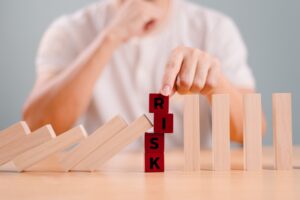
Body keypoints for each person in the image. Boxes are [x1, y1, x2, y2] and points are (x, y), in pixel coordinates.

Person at [22, 0, 266, 149]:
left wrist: (216, 85)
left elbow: (253, 135)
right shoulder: (68, 31)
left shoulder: (215, 28)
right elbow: (35, 128)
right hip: (101, 184)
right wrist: (109, 37)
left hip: (189, 183)